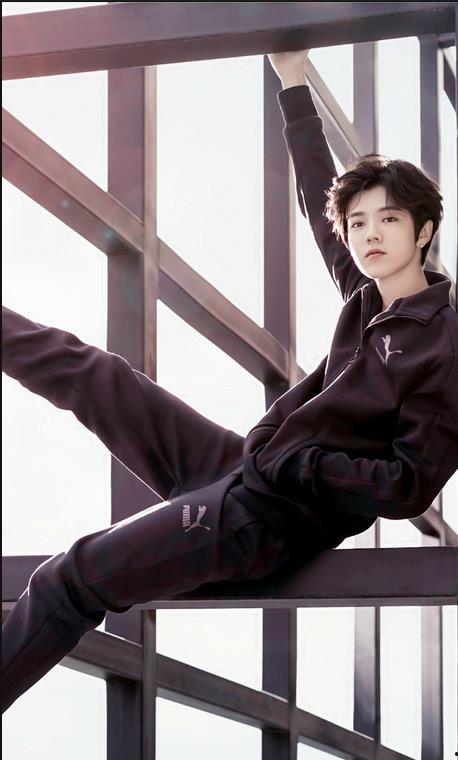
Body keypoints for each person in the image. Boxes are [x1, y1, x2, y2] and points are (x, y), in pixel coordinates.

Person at [2, 49, 457, 714]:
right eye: (359, 222)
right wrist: (292, 79)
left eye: (388, 219)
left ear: (424, 230)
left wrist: (302, 465)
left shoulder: (442, 346)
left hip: (266, 519)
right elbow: (317, 200)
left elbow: (408, 485)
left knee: (71, 576)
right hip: (240, 470)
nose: (369, 235)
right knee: (93, 372)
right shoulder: (368, 298)